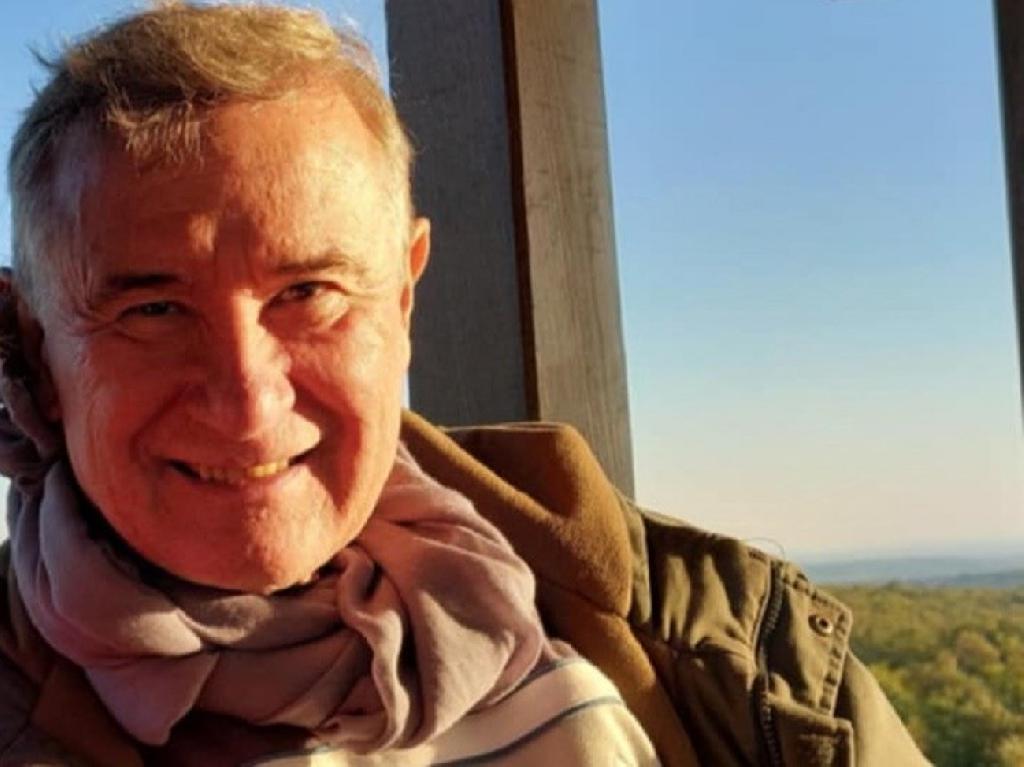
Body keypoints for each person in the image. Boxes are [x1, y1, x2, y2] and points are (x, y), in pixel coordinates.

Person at [0, 3, 928, 766]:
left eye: (308, 292)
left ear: (403, 297)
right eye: (153, 310)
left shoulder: (735, 656)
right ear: (37, 351)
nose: (247, 402)